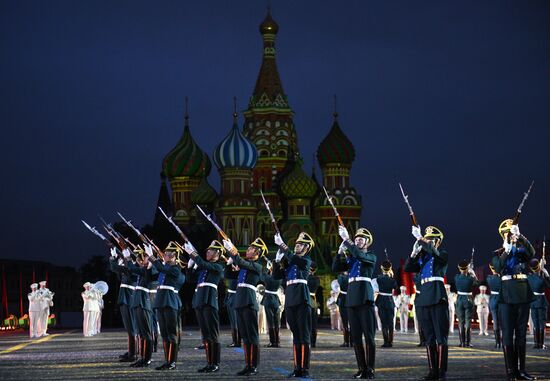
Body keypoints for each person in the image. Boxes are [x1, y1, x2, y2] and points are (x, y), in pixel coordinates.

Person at [491, 219, 536, 380]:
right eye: (509, 234)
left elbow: (532, 253)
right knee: (508, 333)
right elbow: (498, 266)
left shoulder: (521, 251)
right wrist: (507, 250)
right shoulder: (498, 253)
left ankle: (521, 370)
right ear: (504, 236)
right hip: (507, 296)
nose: (512, 236)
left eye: (513, 233)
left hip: (523, 293)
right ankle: (511, 371)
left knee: (522, 334)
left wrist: (521, 236)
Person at [405, 225, 449, 381]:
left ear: (437, 241)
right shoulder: (422, 257)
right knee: (429, 336)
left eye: (430, 240)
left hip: (437, 295)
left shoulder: (441, 253)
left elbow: (437, 255)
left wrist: (420, 238)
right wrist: (414, 252)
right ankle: (433, 370)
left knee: (440, 336)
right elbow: (408, 267)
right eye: (426, 239)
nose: (427, 242)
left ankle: (441, 371)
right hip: (424, 297)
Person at [338, 226, 377, 380]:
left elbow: (360, 256)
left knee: (369, 336)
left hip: (364, 297)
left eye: (361, 239)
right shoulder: (352, 257)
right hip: (352, 297)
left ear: (367, 242)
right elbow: (336, 267)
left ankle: (370, 369)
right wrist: (340, 251)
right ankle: (361, 368)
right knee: (355, 337)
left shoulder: (371, 256)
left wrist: (347, 241)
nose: (358, 240)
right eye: (356, 239)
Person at [223, 237, 266, 376]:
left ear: (258, 253)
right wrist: (229, 263)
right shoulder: (245, 265)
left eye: (251, 249)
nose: (248, 250)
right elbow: (228, 275)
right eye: (248, 248)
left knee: (252, 336)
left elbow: (241, 261)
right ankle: (248, 364)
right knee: (245, 336)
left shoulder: (257, 266)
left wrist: (232, 251)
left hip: (248, 301)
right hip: (240, 301)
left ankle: (254, 365)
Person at [274, 232, 314, 378]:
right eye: (296, 244)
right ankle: (297, 367)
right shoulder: (291, 260)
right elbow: (276, 276)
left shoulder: (306, 260)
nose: (297, 246)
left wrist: (283, 246)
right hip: (290, 298)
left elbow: (297, 260)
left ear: (307, 247)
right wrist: (277, 260)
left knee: (304, 334)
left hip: (302, 299)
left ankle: (305, 367)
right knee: (295, 335)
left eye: (300, 244)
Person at [185, 240, 225, 373]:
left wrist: (193, 255)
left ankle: (215, 363)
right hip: (200, 301)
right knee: (206, 335)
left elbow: (202, 263)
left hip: (209, 301)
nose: (207, 252)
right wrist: (190, 266)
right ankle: (209, 363)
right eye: (207, 250)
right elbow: (190, 279)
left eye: (210, 251)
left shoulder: (218, 266)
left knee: (213, 334)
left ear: (217, 253)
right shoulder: (204, 267)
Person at [146, 242, 185, 371]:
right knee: (164, 333)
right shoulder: (165, 267)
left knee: (171, 333)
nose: (165, 256)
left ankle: (172, 362)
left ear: (174, 256)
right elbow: (156, 271)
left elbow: (162, 268)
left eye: (168, 254)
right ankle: (167, 360)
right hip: (161, 300)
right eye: (165, 253)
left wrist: (152, 257)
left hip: (169, 301)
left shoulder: (175, 268)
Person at [121, 246, 157, 368]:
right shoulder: (144, 269)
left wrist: (151, 259)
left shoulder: (154, 269)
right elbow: (131, 268)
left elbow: (150, 275)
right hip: (138, 302)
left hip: (145, 303)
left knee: (146, 333)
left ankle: (147, 359)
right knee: (141, 333)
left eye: (145, 257)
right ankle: (142, 358)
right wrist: (127, 258)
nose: (142, 259)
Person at [109, 249, 138, 362]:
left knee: (132, 328)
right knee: (129, 328)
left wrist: (113, 258)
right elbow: (118, 274)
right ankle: (132, 351)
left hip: (129, 299)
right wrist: (118, 260)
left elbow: (115, 267)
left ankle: (133, 353)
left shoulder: (134, 269)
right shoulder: (129, 269)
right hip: (125, 299)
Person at [455, 260, 479, 347]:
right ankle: (468, 342)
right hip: (468, 299)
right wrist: (472, 273)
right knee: (468, 321)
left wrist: (468, 271)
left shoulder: (456, 277)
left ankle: (461, 342)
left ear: (459, 268)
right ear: (467, 268)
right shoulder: (470, 278)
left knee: (461, 322)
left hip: (459, 299)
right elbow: (477, 283)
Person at [527, 258, 549, 349]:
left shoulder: (529, 277)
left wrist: (540, 269)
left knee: (535, 323)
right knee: (542, 323)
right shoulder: (542, 278)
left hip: (533, 302)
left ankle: (536, 344)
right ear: (538, 267)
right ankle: (541, 344)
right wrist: (545, 272)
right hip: (541, 301)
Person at [260, 259, 283, 348]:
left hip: (268, 300)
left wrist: (267, 268)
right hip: (276, 300)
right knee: (277, 322)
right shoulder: (279, 278)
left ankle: (272, 342)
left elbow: (262, 276)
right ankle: (277, 342)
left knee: (270, 322)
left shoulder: (269, 278)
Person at [376, 260, 397, 347]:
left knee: (383, 322)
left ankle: (386, 342)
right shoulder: (392, 280)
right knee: (390, 323)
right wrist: (391, 275)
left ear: (381, 268)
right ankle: (390, 341)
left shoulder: (379, 278)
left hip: (381, 301)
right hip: (390, 301)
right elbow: (395, 287)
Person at [332, 255, 351, 347]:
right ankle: (352, 341)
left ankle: (346, 341)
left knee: (345, 322)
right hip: (351, 298)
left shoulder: (340, 277)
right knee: (351, 322)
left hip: (343, 299)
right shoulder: (351, 277)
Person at [224, 262, 241, 347]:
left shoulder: (237, 275)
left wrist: (236, 271)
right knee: (233, 321)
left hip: (235, 298)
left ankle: (237, 341)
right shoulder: (232, 275)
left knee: (235, 321)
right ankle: (235, 340)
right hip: (230, 297)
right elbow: (226, 274)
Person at [487, 263, 502, 348]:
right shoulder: (501, 279)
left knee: (495, 322)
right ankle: (503, 341)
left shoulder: (489, 278)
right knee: (503, 321)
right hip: (501, 300)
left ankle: (497, 343)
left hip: (493, 300)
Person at [307, 262, 321, 348]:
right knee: (313, 323)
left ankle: (307, 340)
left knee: (306, 321)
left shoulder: (306, 278)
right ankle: (313, 342)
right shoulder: (317, 279)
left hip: (307, 299)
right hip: (314, 301)